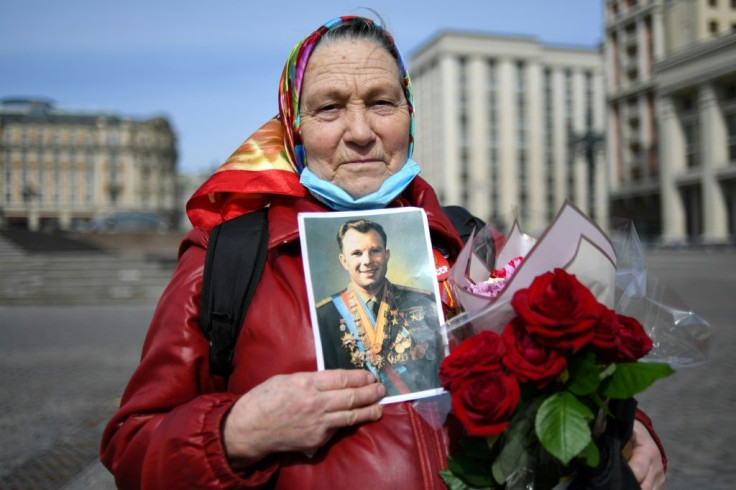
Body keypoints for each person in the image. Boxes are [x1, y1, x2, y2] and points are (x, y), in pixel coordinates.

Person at [100, 15, 667, 489]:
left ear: (409, 115)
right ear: (293, 129)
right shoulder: (224, 259)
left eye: (382, 102)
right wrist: (233, 433)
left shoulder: (473, 244)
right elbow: (130, 446)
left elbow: (558, 376)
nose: (361, 130)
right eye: (329, 108)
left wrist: (622, 425)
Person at [316, 218, 442, 396]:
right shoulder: (323, 316)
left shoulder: (423, 302)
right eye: (357, 253)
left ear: (387, 255)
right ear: (344, 261)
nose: (367, 261)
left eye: (374, 251)